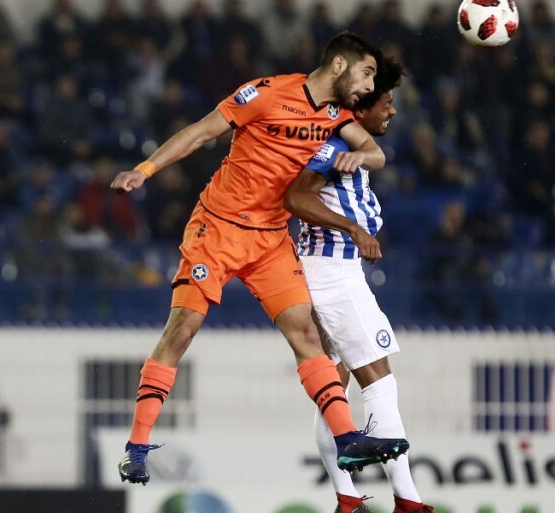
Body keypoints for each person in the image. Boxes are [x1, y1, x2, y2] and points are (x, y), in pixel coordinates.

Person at [109, 32, 409, 485]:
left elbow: (376, 153)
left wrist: (360, 156)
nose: (370, 86)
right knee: (183, 328)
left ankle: (347, 438)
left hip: (270, 239)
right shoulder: (266, 93)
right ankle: (136, 448)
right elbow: (200, 132)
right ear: (339, 65)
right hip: (218, 228)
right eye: (367, 73)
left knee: (305, 332)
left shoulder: (337, 115)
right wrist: (143, 170)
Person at [284, 56, 432, 513]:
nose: (392, 111)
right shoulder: (333, 144)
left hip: (321, 270)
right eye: (386, 103)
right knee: (378, 379)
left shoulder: (350, 146)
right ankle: (408, 502)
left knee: (335, 390)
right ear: (361, 107)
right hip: (334, 273)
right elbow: (296, 195)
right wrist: (352, 228)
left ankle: (347, 498)